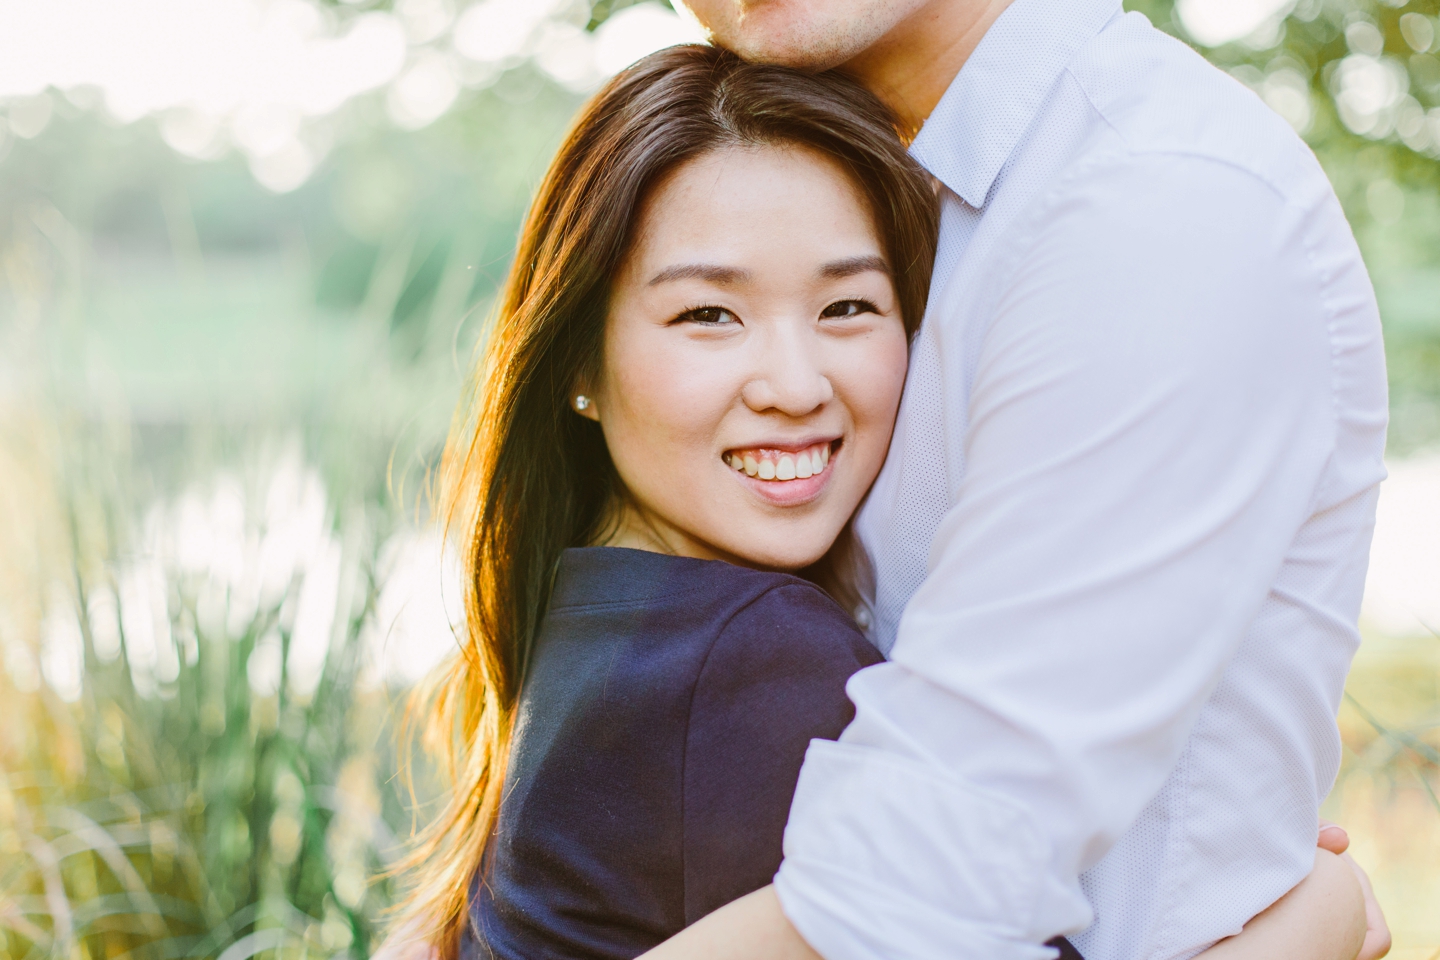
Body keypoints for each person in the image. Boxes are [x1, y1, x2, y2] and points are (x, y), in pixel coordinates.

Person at [379, 45, 1376, 960]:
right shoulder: (750, 663)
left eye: (847, 305)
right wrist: (1319, 923)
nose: (796, 382)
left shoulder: (607, 611)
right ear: (579, 364)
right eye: (709, 314)